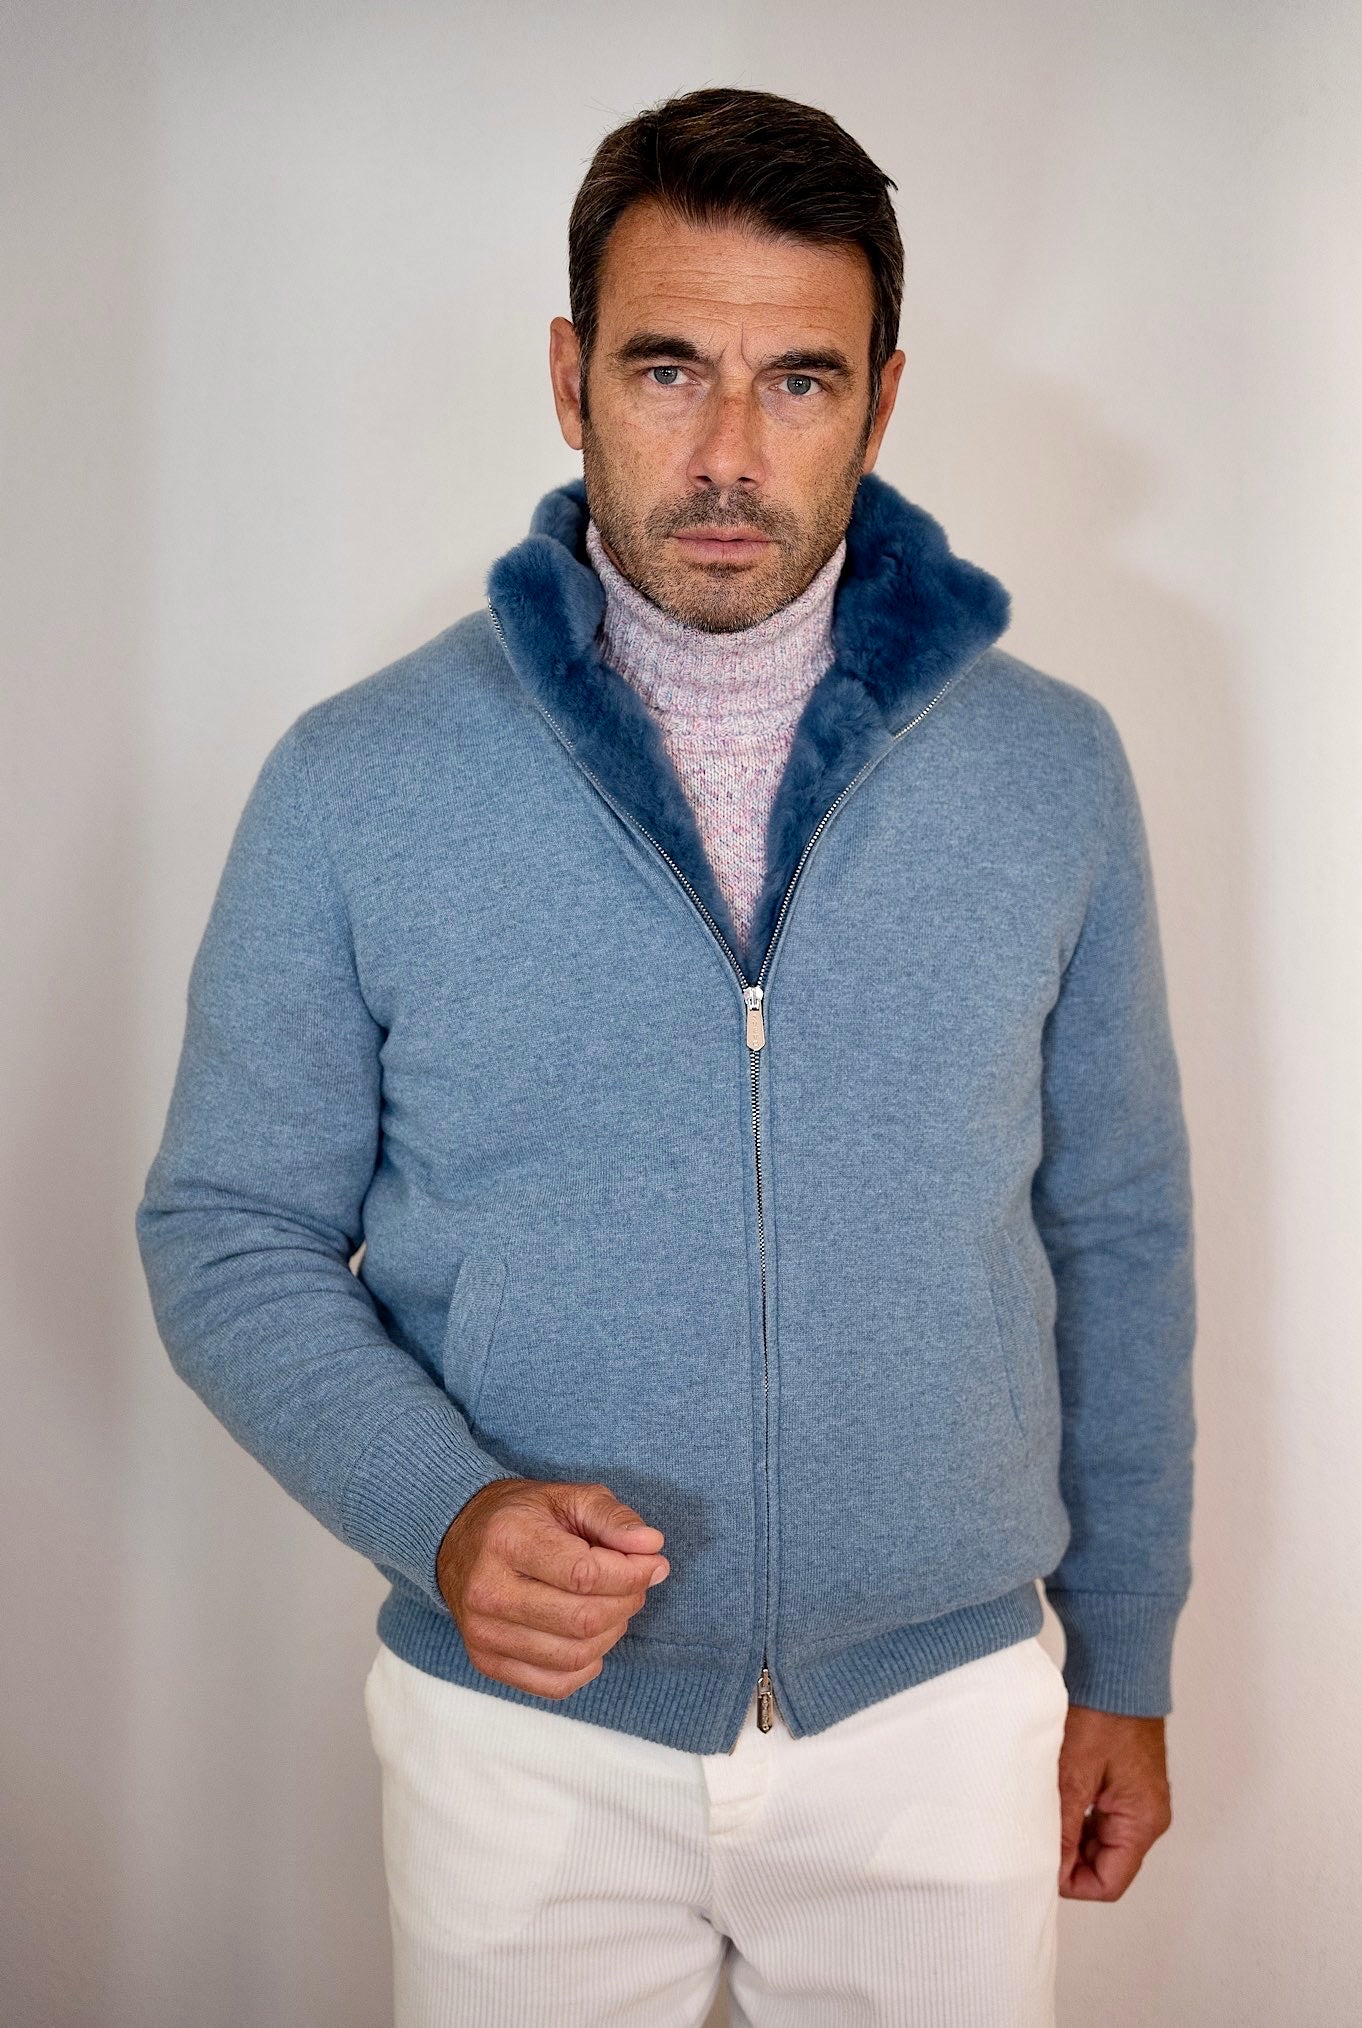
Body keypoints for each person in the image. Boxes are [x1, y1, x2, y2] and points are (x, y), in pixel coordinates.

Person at [135, 84, 1196, 2027]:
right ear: (569, 379)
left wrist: (1123, 1654)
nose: (726, 454)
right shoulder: (360, 779)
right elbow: (226, 1225)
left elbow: (1116, 1228)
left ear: (881, 402)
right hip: (522, 1731)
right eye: (665, 368)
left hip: (941, 1721)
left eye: (798, 382)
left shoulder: (1048, 770)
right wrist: (440, 1509)